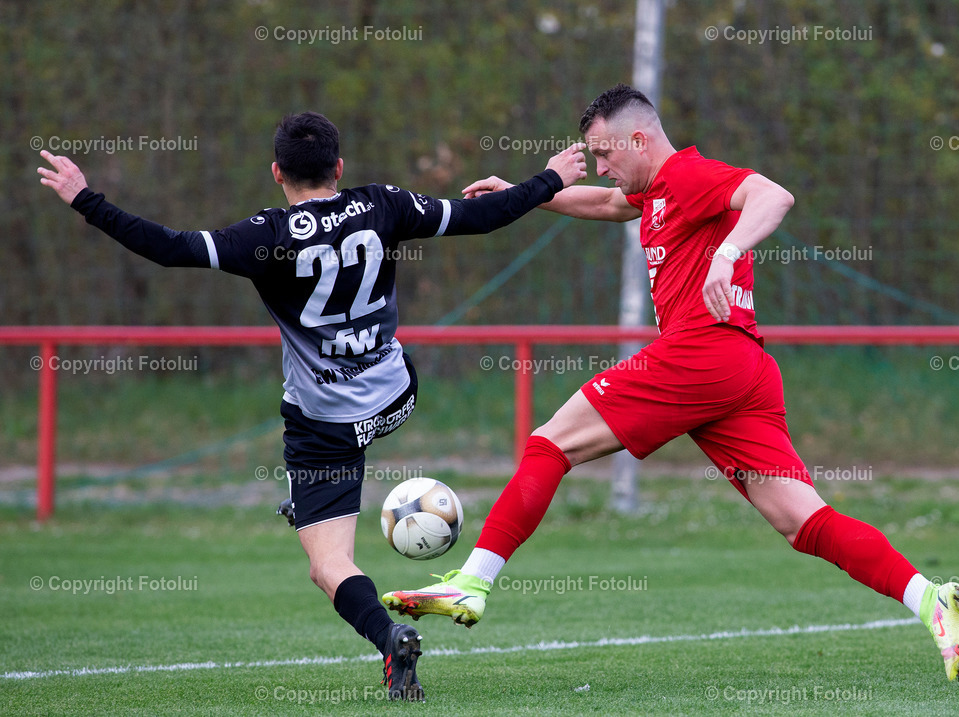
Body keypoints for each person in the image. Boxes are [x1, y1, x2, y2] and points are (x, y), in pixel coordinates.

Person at [382, 85, 959, 682]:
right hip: (742, 369)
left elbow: (773, 195)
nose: (605, 168)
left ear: (639, 139)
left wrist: (729, 252)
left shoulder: (689, 175)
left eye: (607, 153)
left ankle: (472, 583)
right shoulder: (656, 191)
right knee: (803, 521)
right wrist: (528, 196)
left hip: (700, 354)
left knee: (549, 444)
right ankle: (930, 599)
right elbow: (609, 205)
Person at [37, 112, 588, 701]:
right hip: (398, 395)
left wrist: (85, 199)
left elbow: (168, 248)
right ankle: (309, 500)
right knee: (362, 403)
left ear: (277, 172)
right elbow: (482, 216)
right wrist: (548, 179)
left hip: (323, 426)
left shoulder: (262, 236)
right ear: (340, 168)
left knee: (328, 566)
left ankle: (386, 635)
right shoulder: (383, 205)